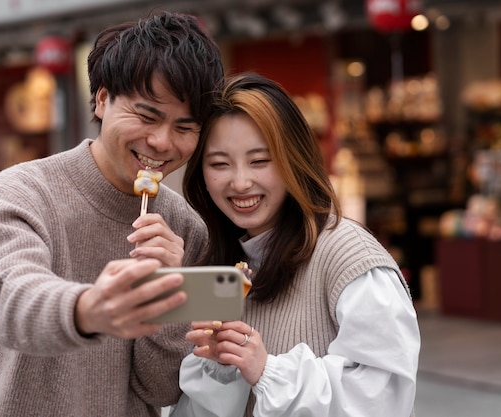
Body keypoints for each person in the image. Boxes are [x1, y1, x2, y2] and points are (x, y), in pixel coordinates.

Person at [0, 11, 224, 417]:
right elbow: (6, 304)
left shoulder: (185, 230)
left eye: (184, 127)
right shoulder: (20, 193)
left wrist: (173, 295)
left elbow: (162, 388)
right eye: (147, 116)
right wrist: (90, 308)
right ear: (103, 100)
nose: (161, 142)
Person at [170, 73, 420, 417]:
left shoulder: (349, 256)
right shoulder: (224, 261)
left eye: (260, 161)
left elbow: (382, 399)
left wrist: (266, 370)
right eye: (219, 164)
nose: (240, 182)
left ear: (294, 159)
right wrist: (222, 367)